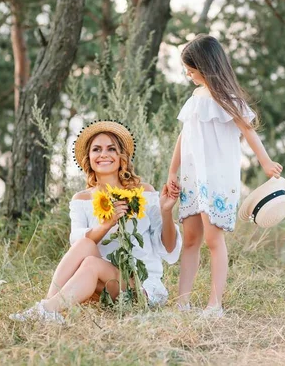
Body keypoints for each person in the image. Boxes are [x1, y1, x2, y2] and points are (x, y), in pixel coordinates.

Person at [10, 121, 182, 323]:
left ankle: (46, 309)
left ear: (121, 157)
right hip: (103, 285)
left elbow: (168, 247)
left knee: (92, 263)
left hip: (140, 286)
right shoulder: (81, 199)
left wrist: (166, 211)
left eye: (111, 149)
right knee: (85, 244)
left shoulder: (144, 192)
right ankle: (48, 307)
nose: (104, 154)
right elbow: (77, 245)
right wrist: (106, 224)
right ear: (88, 158)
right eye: (96, 149)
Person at [167, 34, 283, 317]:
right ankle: (182, 303)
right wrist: (173, 171)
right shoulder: (195, 100)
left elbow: (248, 131)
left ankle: (214, 304)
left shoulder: (228, 101)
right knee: (191, 238)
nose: (187, 74)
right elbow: (184, 136)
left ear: (205, 67)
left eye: (191, 69)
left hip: (217, 179)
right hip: (193, 179)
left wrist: (266, 162)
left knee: (212, 240)